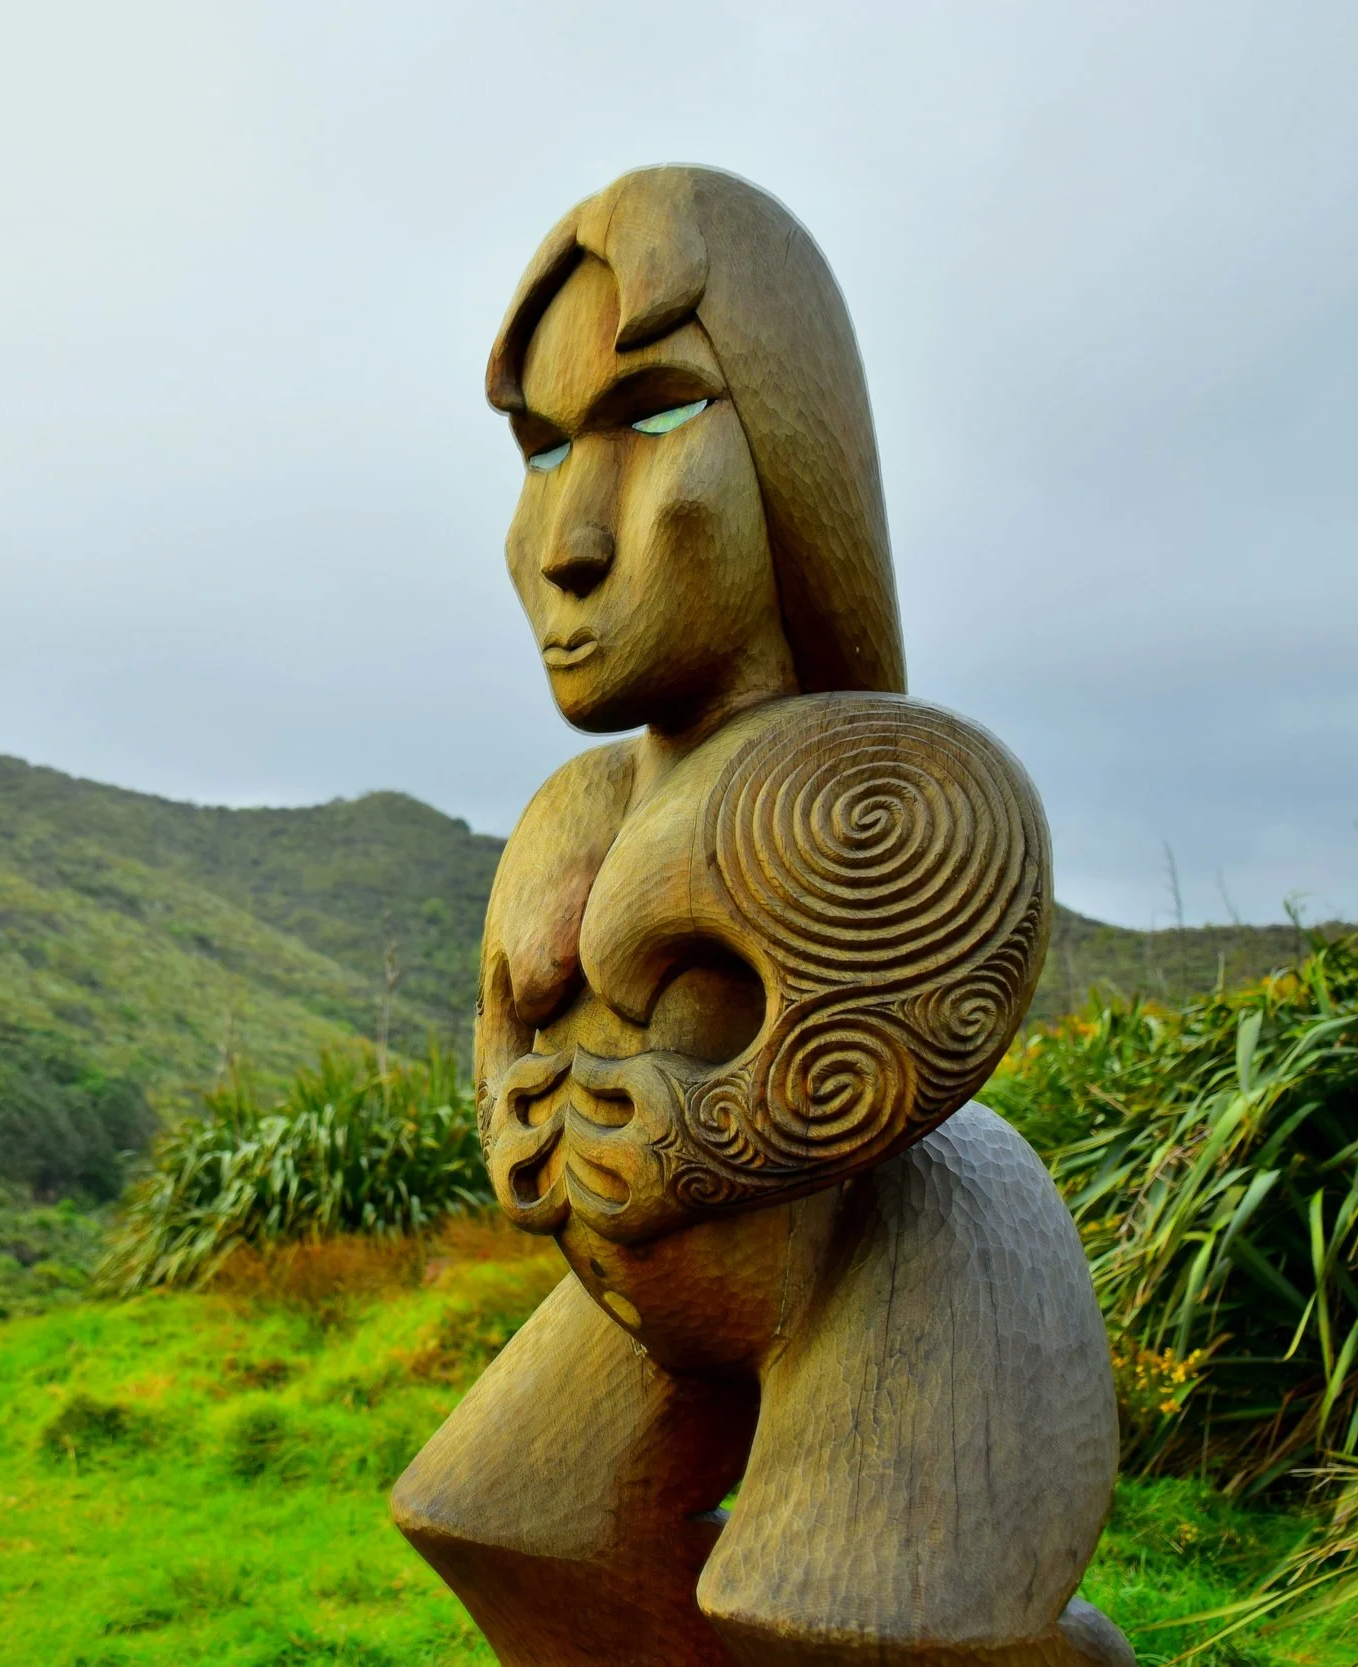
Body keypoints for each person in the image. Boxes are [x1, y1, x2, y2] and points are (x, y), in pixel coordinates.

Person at [392, 166, 1132, 1667]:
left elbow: (888, 1035)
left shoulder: (863, 793)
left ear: (799, 455)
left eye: (656, 418)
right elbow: (513, 1024)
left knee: (842, 1612)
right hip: (651, 1315)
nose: (567, 541)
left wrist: (694, 1131)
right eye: (539, 450)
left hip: (912, 1273)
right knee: (502, 1522)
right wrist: (524, 1117)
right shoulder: (577, 817)